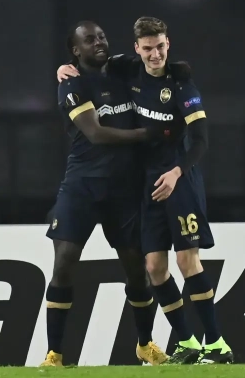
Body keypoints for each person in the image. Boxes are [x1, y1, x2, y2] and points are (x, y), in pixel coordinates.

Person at [57, 17, 233, 364]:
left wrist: (177, 172)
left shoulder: (182, 85)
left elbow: (201, 140)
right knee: (153, 267)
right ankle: (188, 342)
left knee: (186, 260)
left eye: (161, 47)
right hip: (147, 185)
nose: (155, 54)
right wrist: (64, 68)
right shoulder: (128, 72)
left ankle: (216, 343)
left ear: (169, 44)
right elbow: (93, 61)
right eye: (148, 48)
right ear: (137, 49)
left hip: (178, 181)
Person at [41, 21, 172, 367]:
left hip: (124, 190)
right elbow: (96, 134)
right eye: (89, 40)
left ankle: (145, 344)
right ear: (76, 50)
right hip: (82, 187)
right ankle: (54, 354)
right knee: (64, 264)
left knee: (137, 270)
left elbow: (158, 62)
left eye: (100, 37)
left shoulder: (123, 69)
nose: (98, 42)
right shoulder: (71, 83)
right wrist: (147, 134)